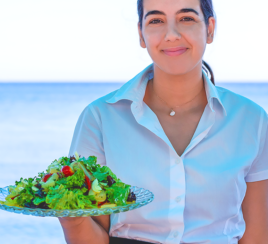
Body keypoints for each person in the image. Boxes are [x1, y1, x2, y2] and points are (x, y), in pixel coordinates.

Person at [58, 0, 268, 243]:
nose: (171, 35)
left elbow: (258, 235)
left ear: (210, 28)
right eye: (156, 20)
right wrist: (69, 215)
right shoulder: (100, 118)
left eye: (186, 18)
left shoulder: (253, 121)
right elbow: (93, 235)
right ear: (141, 34)